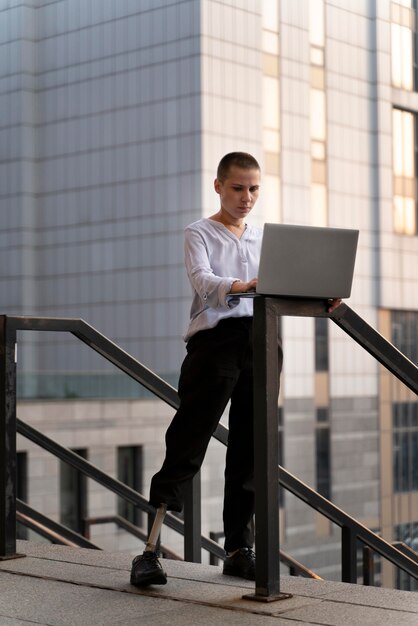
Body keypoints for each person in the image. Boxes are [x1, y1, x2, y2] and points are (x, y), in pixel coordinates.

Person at [130, 152, 341, 587]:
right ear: (219, 187)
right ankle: (149, 552)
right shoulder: (199, 233)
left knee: (251, 448)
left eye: (254, 189)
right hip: (216, 345)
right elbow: (204, 283)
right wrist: (243, 286)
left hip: (263, 341)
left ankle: (237, 550)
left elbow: (286, 286)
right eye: (238, 188)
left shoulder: (266, 238)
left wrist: (324, 295)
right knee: (189, 439)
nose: (247, 197)